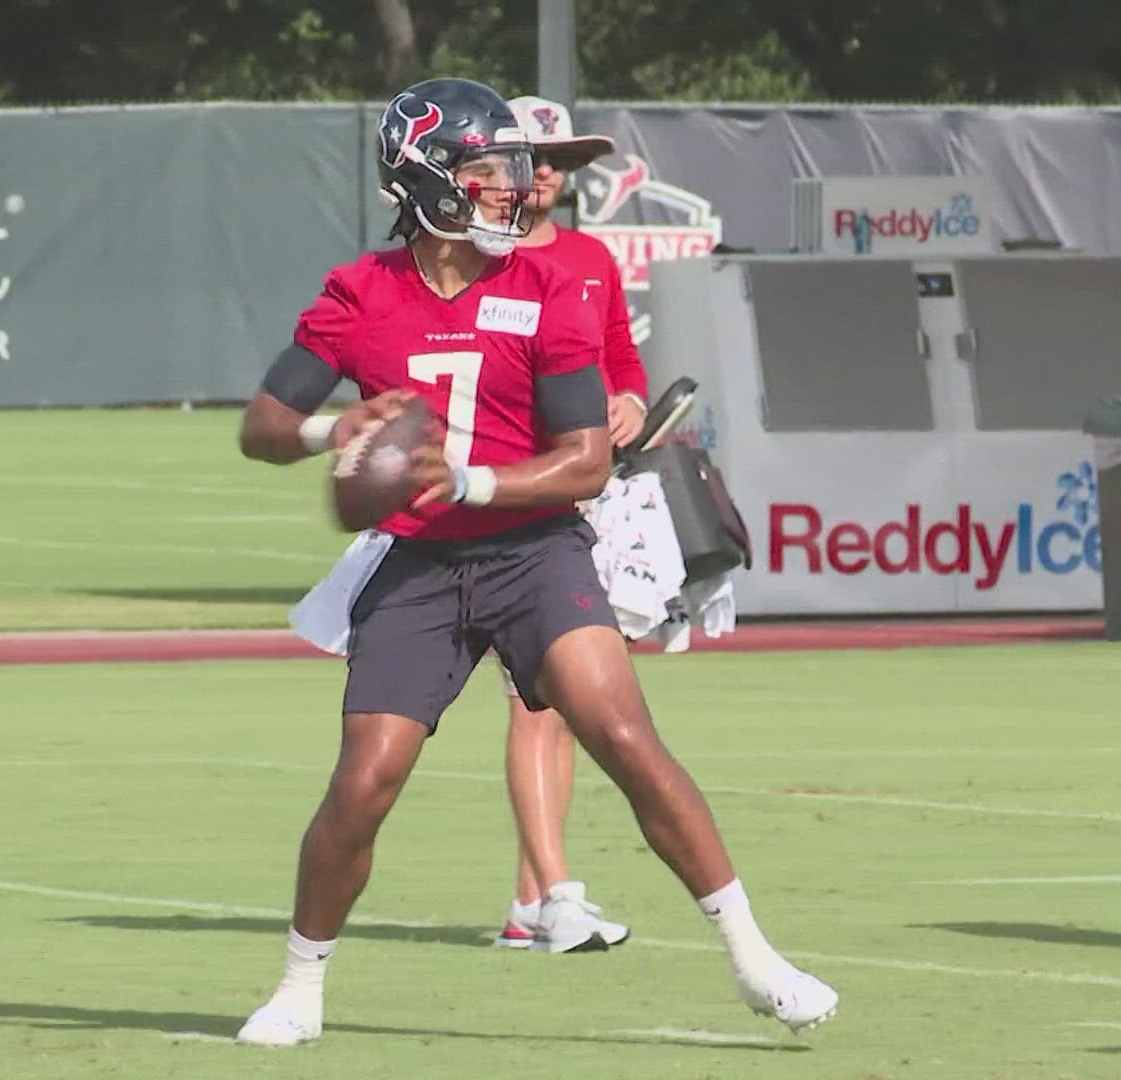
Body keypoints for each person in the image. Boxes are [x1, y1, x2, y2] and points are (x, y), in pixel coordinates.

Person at [235, 76, 838, 1047]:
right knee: (364, 780)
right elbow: (259, 428)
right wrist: (328, 426)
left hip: (533, 550)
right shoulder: (360, 293)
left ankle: (755, 956)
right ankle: (301, 986)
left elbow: (587, 460)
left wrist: (466, 480)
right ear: (426, 182)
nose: (510, 190)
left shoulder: (547, 285)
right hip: (418, 567)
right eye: (485, 172)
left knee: (628, 742)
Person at [482, 94, 654, 953]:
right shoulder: (475, 258)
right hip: (503, 503)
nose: (546, 172)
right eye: (531, 157)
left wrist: (627, 398)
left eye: (557, 161)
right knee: (534, 703)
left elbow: (620, 355)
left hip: (583, 504)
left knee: (568, 705)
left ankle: (531, 894)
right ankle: (552, 895)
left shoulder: (590, 258)